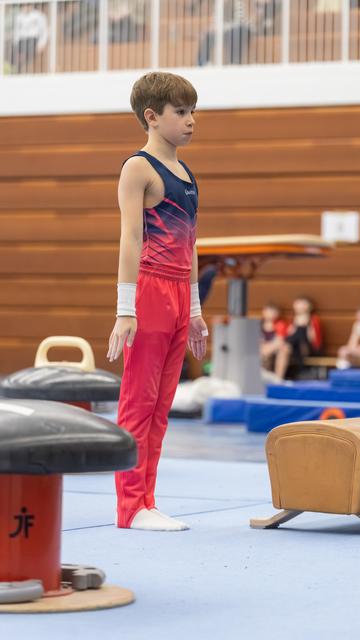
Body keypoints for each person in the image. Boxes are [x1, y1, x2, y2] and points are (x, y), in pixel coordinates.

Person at [106, 72, 208, 532]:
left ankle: (147, 500)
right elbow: (130, 238)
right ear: (152, 117)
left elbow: (192, 245)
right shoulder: (138, 168)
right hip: (147, 289)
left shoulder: (187, 174)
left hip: (177, 292)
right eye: (181, 112)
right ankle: (130, 507)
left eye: (192, 111)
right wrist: (125, 309)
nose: (191, 121)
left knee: (162, 406)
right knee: (138, 402)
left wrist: (195, 311)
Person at [280, 297, 323, 377]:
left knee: (300, 332)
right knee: (284, 348)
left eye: (302, 304)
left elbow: (313, 339)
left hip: (307, 348)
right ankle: (278, 378)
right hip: (293, 347)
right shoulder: (292, 320)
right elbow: (288, 334)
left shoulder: (313, 320)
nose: (299, 306)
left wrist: (304, 325)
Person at [11, 3, 49, 74]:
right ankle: (17, 68)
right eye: (23, 6)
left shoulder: (39, 16)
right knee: (14, 54)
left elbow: (44, 31)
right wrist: (15, 44)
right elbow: (16, 32)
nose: (25, 7)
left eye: (27, 5)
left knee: (26, 52)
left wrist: (42, 43)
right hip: (21, 40)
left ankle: (22, 65)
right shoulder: (18, 17)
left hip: (33, 39)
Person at [260, 303, 289, 380]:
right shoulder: (259, 324)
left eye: (274, 312)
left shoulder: (280, 324)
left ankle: (278, 379)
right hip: (261, 349)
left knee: (284, 348)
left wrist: (267, 349)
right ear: (264, 312)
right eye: (269, 311)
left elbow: (280, 340)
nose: (272, 314)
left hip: (273, 349)